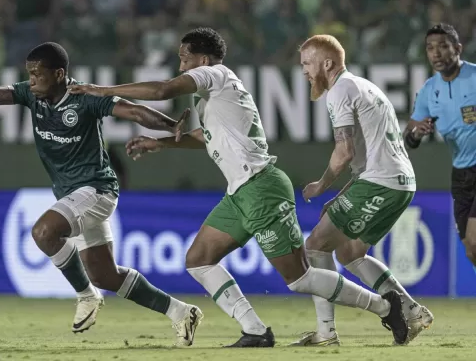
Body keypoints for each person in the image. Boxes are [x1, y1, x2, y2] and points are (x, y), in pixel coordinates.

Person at [69, 27, 409, 347]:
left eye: (184, 58)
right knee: (199, 259)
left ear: (202, 59)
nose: (181, 65)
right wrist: (162, 143)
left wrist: (103, 90)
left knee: (299, 278)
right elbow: (208, 136)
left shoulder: (214, 74)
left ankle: (384, 307)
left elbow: (162, 90)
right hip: (240, 192)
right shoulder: (215, 95)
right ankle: (255, 330)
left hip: (261, 187)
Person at [0, 42, 204, 346]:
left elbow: (133, 111)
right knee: (105, 275)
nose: (32, 79)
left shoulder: (85, 98)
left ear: (60, 73)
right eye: (29, 73)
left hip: (97, 189)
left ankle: (86, 296)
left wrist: (170, 125)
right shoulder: (31, 94)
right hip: (73, 194)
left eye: (38, 73)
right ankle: (181, 312)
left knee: (43, 232)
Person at [297, 34, 433, 346]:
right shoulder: (365, 86)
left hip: (379, 183)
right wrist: (341, 194)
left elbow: (343, 152)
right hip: (399, 182)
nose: (304, 70)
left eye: (307, 62)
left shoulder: (339, 91)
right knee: (350, 252)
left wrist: (321, 184)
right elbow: (365, 157)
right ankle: (411, 311)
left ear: (327, 63)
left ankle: (326, 332)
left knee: (316, 246)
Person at [405, 24, 476, 268]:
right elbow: (409, 139)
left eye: (443, 47)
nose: (436, 53)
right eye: (430, 48)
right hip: (461, 174)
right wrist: (417, 134)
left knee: (475, 240)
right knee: (470, 248)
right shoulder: (427, 92)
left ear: (458, 48)